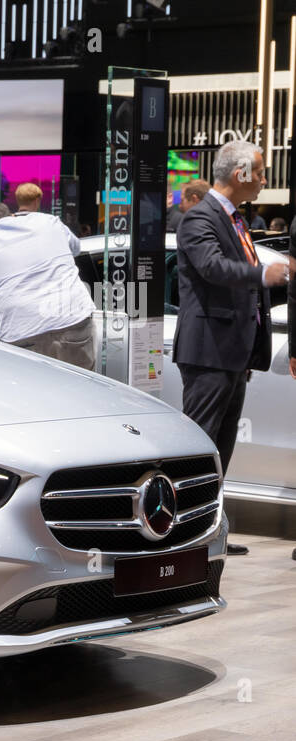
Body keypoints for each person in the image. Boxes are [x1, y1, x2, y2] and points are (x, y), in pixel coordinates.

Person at [175, 139, 296, 556]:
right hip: (208, 351)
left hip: (232, 354)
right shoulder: (199, 218)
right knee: (199, 446)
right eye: (260, 172)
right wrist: (266, 274)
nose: (264, 180)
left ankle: (208, 534)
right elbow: (213, 268)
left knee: (219, 449)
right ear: (240, 173)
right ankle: (183, 539)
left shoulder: (234, 219)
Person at [0, 201, 96, 370]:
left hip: (24, 330)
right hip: (72, 317)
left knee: (34, 393)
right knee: (83, 388)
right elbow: (76, 249)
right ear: (11, 215)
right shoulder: (48, 221)